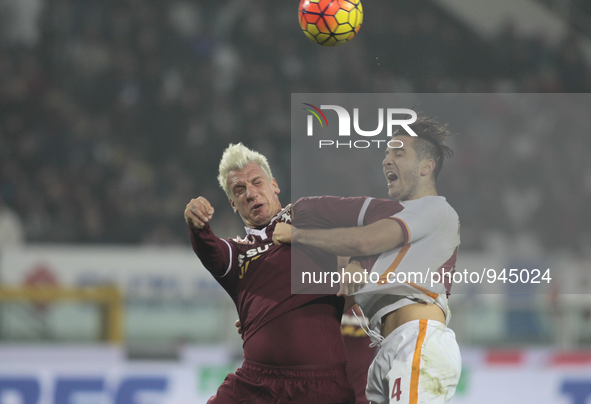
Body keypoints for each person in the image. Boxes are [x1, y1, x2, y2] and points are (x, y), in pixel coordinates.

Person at [185, 143, 402, 404]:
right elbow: (211, 252)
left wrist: (360, 262)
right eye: (240, 190)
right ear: (232, 203)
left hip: (318, 386)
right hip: (254, 385)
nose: (251, 194)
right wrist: (197, 226)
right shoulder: (237, 252)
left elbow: (389, 214)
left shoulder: (307, 213)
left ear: (274, 185)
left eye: (257, 182)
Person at [273, 117, 461, 404]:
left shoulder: (436, 211)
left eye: (398, 153)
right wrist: (270, 317)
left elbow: (364, 240)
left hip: (418, 342)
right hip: (389, 348)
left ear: (426, 167)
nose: (386, 160)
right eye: (386, 153)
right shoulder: (399, 228)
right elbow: (339, 299)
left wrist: (297, 235)